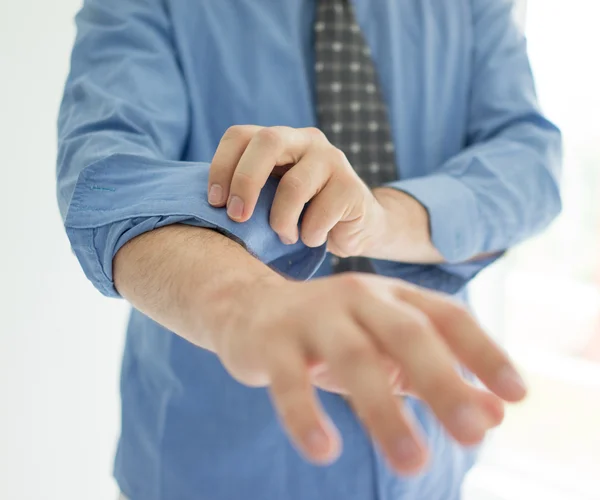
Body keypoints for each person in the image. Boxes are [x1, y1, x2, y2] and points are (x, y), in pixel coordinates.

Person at [56, 0, 562, 499]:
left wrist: (381, 218)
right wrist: (249, 304)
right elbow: (108, 183)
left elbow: (529, 162)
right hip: (210, 469)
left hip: (433, 465)